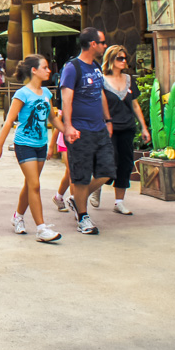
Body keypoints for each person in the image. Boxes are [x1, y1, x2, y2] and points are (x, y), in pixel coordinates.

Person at [0, 54, 64, 243]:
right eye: (45, 67)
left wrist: (68, 131)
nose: (49, 70)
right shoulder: (22, 93)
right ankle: (41, 229)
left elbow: (53, 118)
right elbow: (9, 121)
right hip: (24, 144)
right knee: (35, 185)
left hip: (41, 144)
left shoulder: (47, 93)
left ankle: (18, 217)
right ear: (34, 70)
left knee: (30, 184)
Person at [60, 27, 114, 235]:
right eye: (102, 43)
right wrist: (69, 126)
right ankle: (83, 217)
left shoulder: (96, 66)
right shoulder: (72, 68)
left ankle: (76, 199)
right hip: (80, 130)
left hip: (99, 128)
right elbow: (67, 99)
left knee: (108, 171)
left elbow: (100, 94)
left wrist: (108, 120)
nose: (105, 46)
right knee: (81, 175)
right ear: (93, 44)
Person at [101, 44, 151, 215]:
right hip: (108, 128)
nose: (123, 61)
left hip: (127, 126)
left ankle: (119, 201)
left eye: (125, 58)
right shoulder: (102, 80)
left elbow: (135, 105)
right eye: (119, 58)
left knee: (125, 163)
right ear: (111, 60)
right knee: (109, 161)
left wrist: (144, 127)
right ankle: (96, 186)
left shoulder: (129, 79)